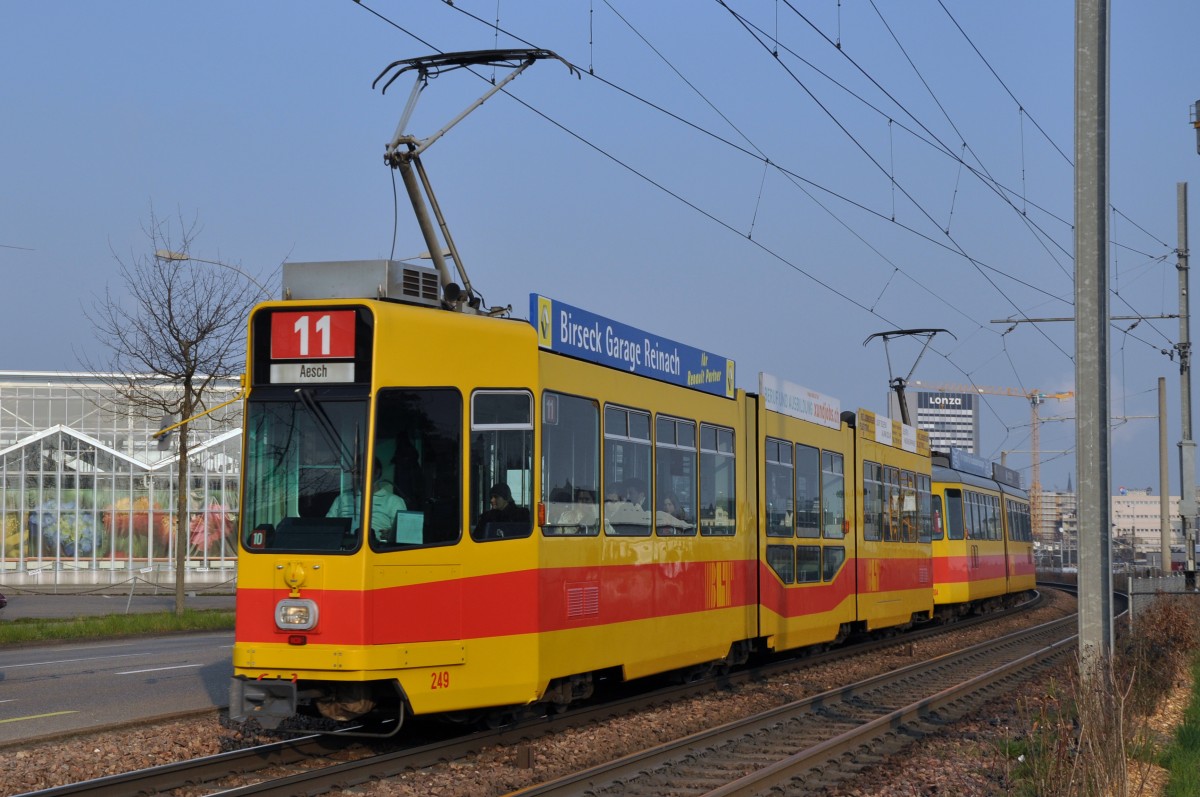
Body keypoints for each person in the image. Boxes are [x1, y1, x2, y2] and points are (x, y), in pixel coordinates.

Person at [327, 458, 407, 536]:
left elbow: (403, 533)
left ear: (377, 472)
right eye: (355, 473)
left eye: (362, 472)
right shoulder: (343, 498)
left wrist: (391, 534)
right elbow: (327, 527)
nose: (358, 477)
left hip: (377, 547)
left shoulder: (394, 501)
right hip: (344, 546)